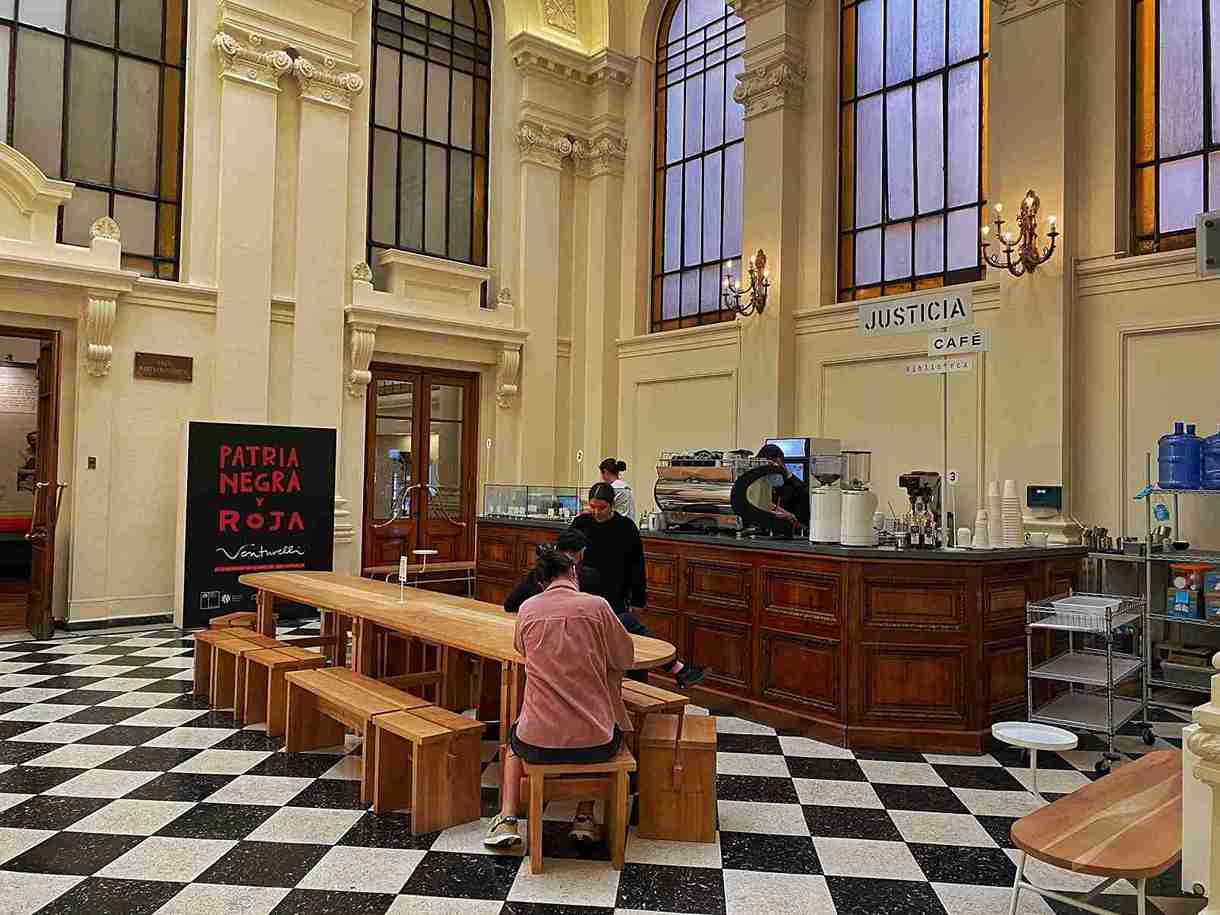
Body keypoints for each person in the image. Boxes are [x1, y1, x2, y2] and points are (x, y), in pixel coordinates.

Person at [484, 548, 632, 849]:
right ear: (574, 573)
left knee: (514, 742)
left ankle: (508, 818)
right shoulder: (598, 607)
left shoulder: (527, 609)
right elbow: (624, 655)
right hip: (596, 743)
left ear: (541, 582)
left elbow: (521, 649)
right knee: (605, 723)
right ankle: (584, 815)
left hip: (537, 742)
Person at [570, 482, 705, 688]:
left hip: (616, 593)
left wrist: (638, 599)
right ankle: (677, 669)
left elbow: (637, 566)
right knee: (631, 632)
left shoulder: (625, 527)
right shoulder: (581, 523)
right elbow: (565, 552)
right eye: (592, 506)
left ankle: (665, 674)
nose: (596, 512)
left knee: (632, 636)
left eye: (601, 507)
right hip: (585, 594)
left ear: (612, 505)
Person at [504, 529, 599, 613]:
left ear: (557, 549)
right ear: (582, 552)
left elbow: (510, 604)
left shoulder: (539, 572)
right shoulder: (590, 577)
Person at [758, 443, 810, 529]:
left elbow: (805, 527)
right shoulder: (766, 485)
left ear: (777, 462)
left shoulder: (800, 489)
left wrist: (789, 517)